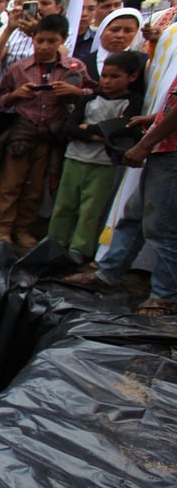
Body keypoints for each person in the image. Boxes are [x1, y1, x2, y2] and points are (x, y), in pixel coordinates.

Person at [65, 71, 177, 316]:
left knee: (161, 226)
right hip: (164, 148)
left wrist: (145, 144)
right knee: (134, 216)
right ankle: (109, 273)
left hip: (172, 152)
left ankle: (165, 296)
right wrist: (154, 119)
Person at [0, 14, 92, 246]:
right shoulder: (19, 69)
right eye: (39, 40)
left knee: (35, 186)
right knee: (11, 183)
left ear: (63, 40)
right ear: (33, 39)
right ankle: (3, 226)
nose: (44, 46)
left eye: (51, 41)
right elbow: (0, 99)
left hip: (51, 133)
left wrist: (75, 92)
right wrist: (16, 95)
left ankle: (23, 228)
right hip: (22, 132)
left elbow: (96, 93)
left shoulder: (74, 68)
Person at [48, 51, 143, 263]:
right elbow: (70, 128)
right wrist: (102, 133)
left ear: (132, 77)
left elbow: (123, 131)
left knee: (91, 209)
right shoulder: (89, 99)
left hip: (103, 163)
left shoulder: (132, 101)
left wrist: (89, 130)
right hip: (74, 157)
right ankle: (54, 242)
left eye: (115, 77)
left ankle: (79, 249)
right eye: (105, 76)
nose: (107, 81)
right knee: (64, 204)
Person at [83, 8, 148, 97]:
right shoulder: (84, 62)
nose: (120, 35)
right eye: (114, 30)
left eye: (128, 31)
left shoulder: (144, 63)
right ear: (102, 31)